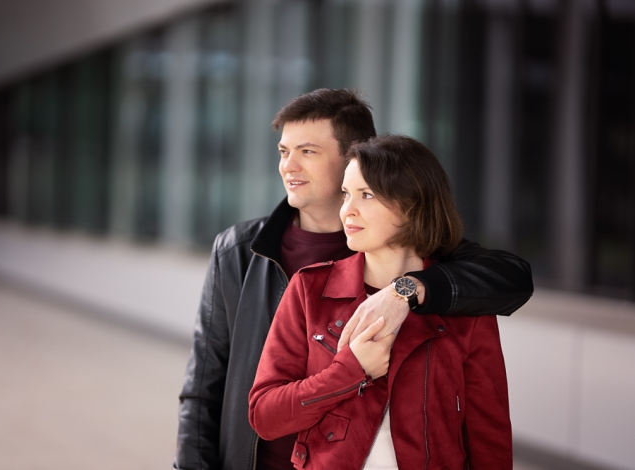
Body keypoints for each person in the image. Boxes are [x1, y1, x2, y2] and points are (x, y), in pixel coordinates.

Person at [174, 89, 530, 470]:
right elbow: (204, 387)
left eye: (307, 151)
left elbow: (511, 278)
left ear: (354, 157)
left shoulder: (435, 266)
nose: (288, 166)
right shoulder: (239, 251)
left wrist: (403, 291)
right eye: (283, 151)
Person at [249, 134, 512, 469]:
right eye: (346, 194)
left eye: (367, 195)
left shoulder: (466, 307)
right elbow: (265, 415)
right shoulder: (309, 289)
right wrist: (350, 370)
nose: (347, 210)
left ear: (413, 205)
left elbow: (489, 437)